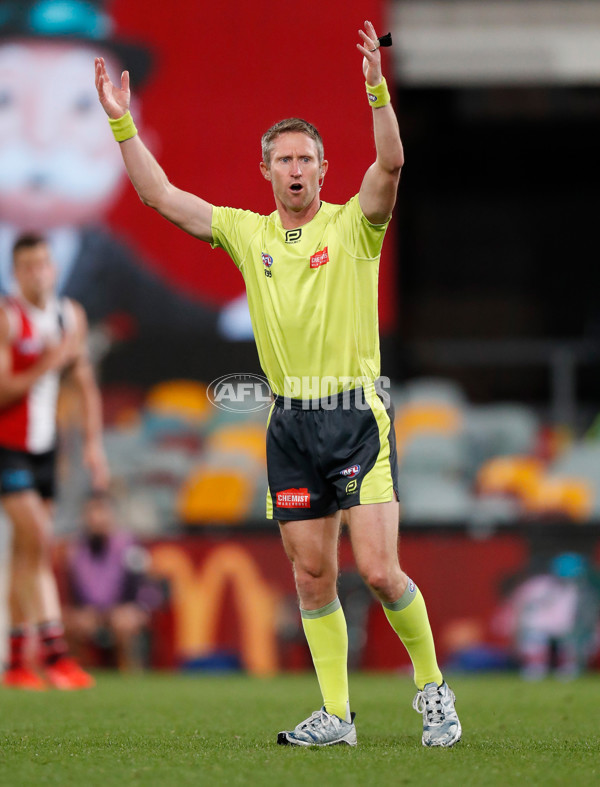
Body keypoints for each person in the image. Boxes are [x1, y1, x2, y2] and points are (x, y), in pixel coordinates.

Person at [95, 20, 461, 747]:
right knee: (312, 574)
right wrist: (120, 123)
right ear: (265, 171)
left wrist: (375, 89)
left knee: (382, 571)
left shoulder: (355, 226)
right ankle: (338, 714)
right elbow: (160, 195)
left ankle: (433, 690)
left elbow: (390, 166)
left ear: (323, 170)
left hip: (355, 415)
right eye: (283, 159)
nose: (295, 169)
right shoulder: (246, 233)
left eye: (306, 158)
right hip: (290, 424)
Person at [0, 232, 108, 690]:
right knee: (39, 538)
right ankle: (56, 653)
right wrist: (49, 360)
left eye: (43, 264)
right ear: (16, 272)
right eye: (27, 266)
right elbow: (3, 390)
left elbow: (83, 382)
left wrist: (92, 444)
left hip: (46, 449)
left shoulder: (69, 315)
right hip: (8, 446)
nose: (38, 273)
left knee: (27, 554)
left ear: (55, 268)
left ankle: (18, 661)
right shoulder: (8, 318)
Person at [63, 491, 153, 672]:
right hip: (93, 611)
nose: (96, 518)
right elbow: (76, 590)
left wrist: (131, 608)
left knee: (123, 622)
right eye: (91, 512)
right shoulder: (76, 550)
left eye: (101, 511)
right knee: (73, 623)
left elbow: (139, 585)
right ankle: (76, 673)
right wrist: (83, 611)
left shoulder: (130, 545)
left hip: (123, 608)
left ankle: (129, 674)